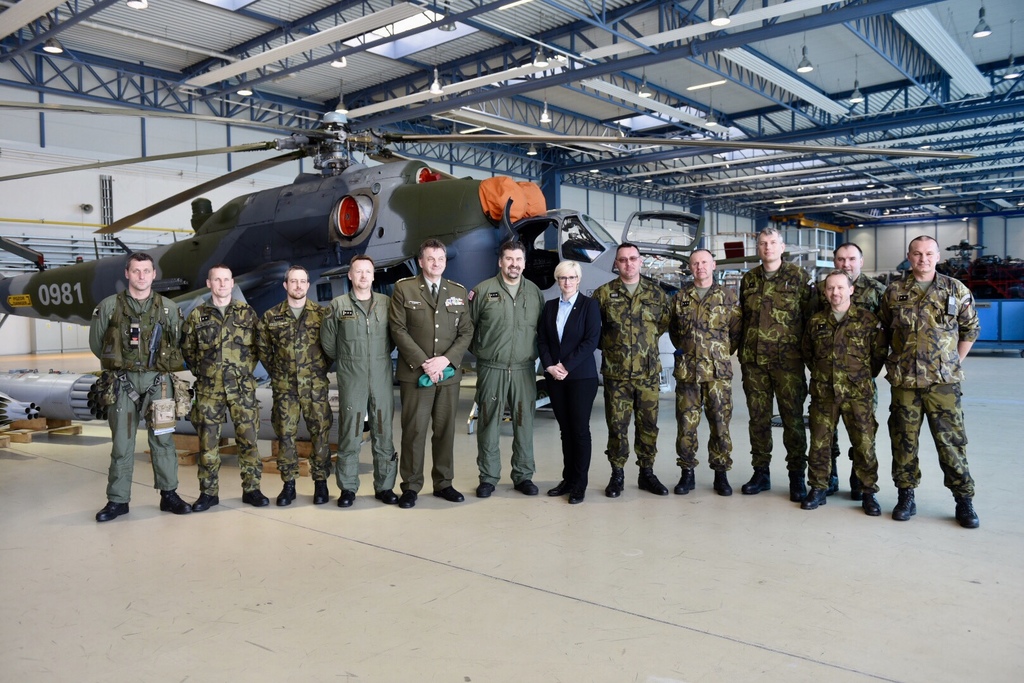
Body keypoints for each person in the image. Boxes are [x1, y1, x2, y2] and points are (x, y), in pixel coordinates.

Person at [879, 236, 981, 528]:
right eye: (917, 253)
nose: (923, 258)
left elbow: (970, 330)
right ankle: (906, 495)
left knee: (951, 442)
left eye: (928, 254)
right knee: (903, 440)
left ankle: (964, 500)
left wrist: (953, 362)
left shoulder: (954, 288)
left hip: (943, 384)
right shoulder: (894, 291)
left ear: (937, 256)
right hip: (905, 382)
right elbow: (883, 331)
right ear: (908, 257)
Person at [89, 252, 192, 521]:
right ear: (127, 273)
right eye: (136, 271)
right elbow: (97, 343)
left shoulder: (169, 308)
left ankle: (169, 494)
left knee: (163, 440)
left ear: (154, 274)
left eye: (147, 271)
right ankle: (118, 500)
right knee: (122, 444)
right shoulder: (109, 307)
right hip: (122, 383)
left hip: (160, 384)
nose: (142, 276)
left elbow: (179, 341)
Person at [388, 239, 474, 509]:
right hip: (416, 374)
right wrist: (426, 363)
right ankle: (411, 486)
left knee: (445, 430)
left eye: (441, 259)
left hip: (448, 374)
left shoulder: (457, 291)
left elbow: (466, 331)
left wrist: (445, 361)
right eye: (431, 258)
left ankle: (444, 483)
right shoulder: (404, 288)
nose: (436, 263)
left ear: (445, 262)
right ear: (421, 261)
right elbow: (398, 329)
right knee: (414, 430)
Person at [800, 270, 887, 514]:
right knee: (819, 443)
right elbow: (808, 353)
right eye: (830, 288)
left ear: (851, 290)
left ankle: (868, 492)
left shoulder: (868, 320)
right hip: (824, 393)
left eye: (840, 287)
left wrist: (858, 377)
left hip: (857, 394)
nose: (835, 292)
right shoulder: (816, 322)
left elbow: (878, 355)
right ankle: (818, 488)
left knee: (864, 443)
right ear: (825, 292)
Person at [182, 264, 268, 510]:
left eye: (226, 280)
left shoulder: (247, 313)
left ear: (232, 283)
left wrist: (242, 372)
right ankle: (208, 493)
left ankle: (252, 489)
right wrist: (207, 373)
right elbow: (189, 350)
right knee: (208, 443)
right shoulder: (198, 315)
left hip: (242, 389)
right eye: (216, 280)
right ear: (209, 284)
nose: (221, 284)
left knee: (249, 440)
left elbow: (257, 348)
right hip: (209, 389)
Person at [738, 226, 811, 502]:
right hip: (754, 362)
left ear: (782, 247)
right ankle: (761, 473)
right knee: (758, 420)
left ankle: (796, 476)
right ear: (758, 249)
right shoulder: (749, 280)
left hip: (787, 363)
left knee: (792, 420)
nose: (767, 247)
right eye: (762, 243)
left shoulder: (799, 277)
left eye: (772, 243)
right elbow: (742, 319)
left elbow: (810, 318)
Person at [592, 242, 671, 498]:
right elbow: (595, 333)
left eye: (633, 258)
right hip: (616, 375)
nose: (628, 263)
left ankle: (647, 472)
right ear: (616, 263)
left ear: (640, 261)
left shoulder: (656, 294)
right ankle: (617, 474)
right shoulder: (603, 294)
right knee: (617, 426)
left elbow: (661, 325)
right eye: (623, 259)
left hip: (647, 374)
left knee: (648, 425)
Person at [469, 240, 545, 498]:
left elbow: (541, 332)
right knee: (488, 423)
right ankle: (488, 477)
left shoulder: (534, 293)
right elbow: (468, 329)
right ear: (500, 261)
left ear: (524, 263)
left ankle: (523, 475)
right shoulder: (483, 291)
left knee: (524, 422)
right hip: (492, 368)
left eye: (519, 260)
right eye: (509, 259)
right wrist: (482, 352)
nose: (514, 264)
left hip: (524, 369)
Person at [321, 255, 399, 507]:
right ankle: (348, 489)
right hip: (351, 376)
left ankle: (385, 487)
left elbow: (395, 337)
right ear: (350, 276)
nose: (364, 276)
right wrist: (348, 361)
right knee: (350, 433)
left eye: (368, 271)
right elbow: (329, 343)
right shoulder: (338, 305)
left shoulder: (387, 304)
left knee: (383, 432)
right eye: (358, 272)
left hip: (381, 375)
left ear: (373, 276)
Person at [257, 265, 333, 507]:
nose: (298, 286)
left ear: (308, 285)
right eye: (293, 281)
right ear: (285, 285)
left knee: (320, 434)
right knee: (286, 435)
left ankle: (321, 483)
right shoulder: (271, 317)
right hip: (284, 388)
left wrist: (318, 368)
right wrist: (280, 372)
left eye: (302, 281)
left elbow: (331, 349)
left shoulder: (321, 315)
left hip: (315, 386)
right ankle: (288, 484)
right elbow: (263, 350)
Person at [668, 249, 741, 497]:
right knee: (686, 426)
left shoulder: (728, 297)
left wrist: (717, 353)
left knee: (720, 425)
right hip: (688, 373)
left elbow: (735, 333)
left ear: (714, 265)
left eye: (704, 263)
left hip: (718, 375)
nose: (700, 267)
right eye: (695, 263)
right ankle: (687, 473)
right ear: (690, 267)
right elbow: (675, 333)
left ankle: (721, 474)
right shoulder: (680, 298)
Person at [538, 261, 601, 504]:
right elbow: (542, 339)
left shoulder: (589, 305)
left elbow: (591, 340)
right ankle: (568, 479)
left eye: (572, 277)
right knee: (565, 431)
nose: (567, 282)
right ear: (557, 280)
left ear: (579, 280)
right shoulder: (550, 306)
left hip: (581, 377)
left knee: (580, 430)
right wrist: (549, 366)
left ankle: (580, 483)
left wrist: (566, 366)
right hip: (555, 378)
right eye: (563, 278)